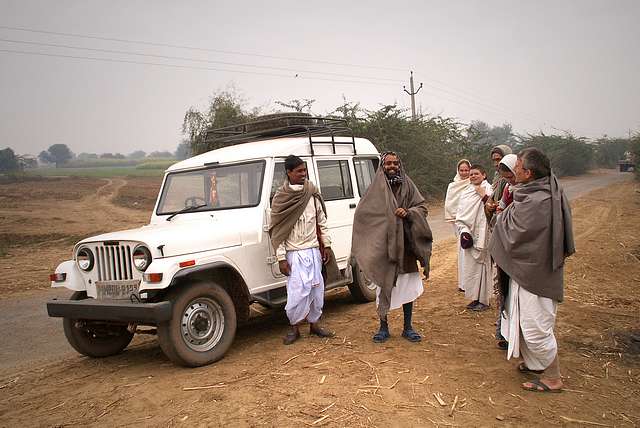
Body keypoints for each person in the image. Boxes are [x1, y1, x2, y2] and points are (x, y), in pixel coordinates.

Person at [489, 147, 575, 393]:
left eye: (517, 168)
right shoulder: (532, 192)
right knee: (522, 320)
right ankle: (535, 363)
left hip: (536, 275)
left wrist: (501, 215)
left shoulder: (539, 200)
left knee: (535, 326)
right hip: (524, 271)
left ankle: (553, 377)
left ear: (528, 173)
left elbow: (514, 233)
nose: (513, 171)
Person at [352, 151, 433, 343]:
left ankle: (408, 327)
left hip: (405, 246)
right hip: (383, 247)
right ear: (382, 166)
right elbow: (364, 214)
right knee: (383, 285)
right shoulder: (375, 188)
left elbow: (422, 207)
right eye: (388, 164)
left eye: (395, 163)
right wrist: (385, 220)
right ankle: (383, 327)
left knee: (407, 288)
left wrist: (408, 212)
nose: (392, 167)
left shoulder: (408, 184)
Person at [269, 155, 335, 345]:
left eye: (304, 170)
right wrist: (281, 258)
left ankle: (314, 325)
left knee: (317, 291)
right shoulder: (280, 199)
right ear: (288, 173)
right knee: (297, 293)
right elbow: (278, 232)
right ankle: (294, 328)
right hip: (294, 254)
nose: (303, 174)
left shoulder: (312, 193)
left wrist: (327, 245)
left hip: (314, 250)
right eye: (299, 171)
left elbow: (321, 222)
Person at [455, 164, 493, 311]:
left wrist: (483, 194)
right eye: (471, 174)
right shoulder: (466, 191)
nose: (473, 176)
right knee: (470, 267)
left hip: (482, 233)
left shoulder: (488, 189)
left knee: (482, 266)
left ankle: (484, 300)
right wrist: (464, 229)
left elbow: (492, 208)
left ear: (484, 175)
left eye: (476, 174)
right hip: (467, 233)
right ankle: (474, 298)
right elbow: (461, 212)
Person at [492, 153, 517, 349]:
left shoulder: (528, 192)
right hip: (505, 243)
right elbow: (501, 208)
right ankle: (504, 333)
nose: (509, 180)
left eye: (511, 175)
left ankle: (515, 337)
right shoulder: (508, 188)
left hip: (518, 249)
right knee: (505, 293)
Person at [444, 159, 471, 293]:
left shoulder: (474, 184)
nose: (464, 173)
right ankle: (463, 283)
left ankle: (471, 283)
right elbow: (449, 204)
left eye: (467, 170)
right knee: (461, 250)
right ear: (458, 171)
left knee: (470, 252)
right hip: (458, 222)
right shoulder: (452, 186)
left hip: (471, 221)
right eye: (462, 170)